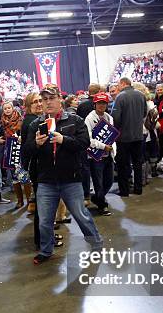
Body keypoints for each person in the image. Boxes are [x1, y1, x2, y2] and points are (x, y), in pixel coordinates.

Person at [23, 84, 103, 264]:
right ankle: (46, 250)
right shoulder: (36, 124)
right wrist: (36, 143)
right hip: (45, 180)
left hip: (71, 178)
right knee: (44, 221)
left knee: (81, 216)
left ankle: (96, 243)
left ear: (60, 99)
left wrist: (63, 139)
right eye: (44, 99)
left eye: (51, 98)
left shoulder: (74, 120)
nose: (48, 102)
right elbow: (26, 151)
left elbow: (84, 144)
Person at [112, 77, 148, 196]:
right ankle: (138, 188)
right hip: (138, 135)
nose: (117, 87)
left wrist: (116, 130)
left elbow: (115, 117)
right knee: (137, 163)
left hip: (123, 137)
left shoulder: (120, 96)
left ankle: (124, 191)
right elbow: (144, 113)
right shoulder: (141, 95)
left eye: (118, 84)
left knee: (123, 164)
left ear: (123, 83)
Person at [85, 92, 116, 216]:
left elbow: (112, 136)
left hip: (108, 155)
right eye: (99, 103)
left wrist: (112, 150)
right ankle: (102, 205)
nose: (102, 105)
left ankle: (98, 198)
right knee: (98, 182)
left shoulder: (109, 117)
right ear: (95, 104)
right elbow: (88, 139)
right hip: (95, 156)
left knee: (109, 181)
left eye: (104, 103)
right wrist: (103, 146)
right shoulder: (89, 118)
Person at [1, 100, 31, 209]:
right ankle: (20, 201)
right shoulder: (2, 121)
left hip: (20, 149)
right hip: (9, 149)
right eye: (5, 108)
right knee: (14, 176)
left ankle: (29, 201)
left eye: (9, 108)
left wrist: (22, 138)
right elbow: (0, 135)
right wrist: (0, 139)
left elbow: (26, 133)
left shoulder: (20, 119)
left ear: (12, 108)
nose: (7, 110)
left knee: (23, 174)